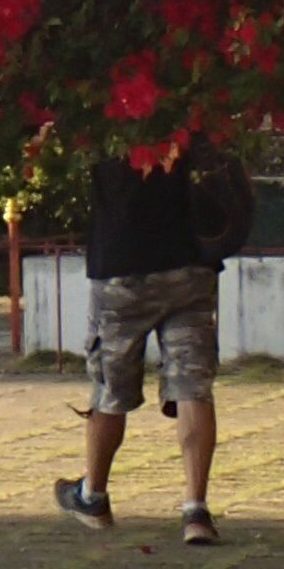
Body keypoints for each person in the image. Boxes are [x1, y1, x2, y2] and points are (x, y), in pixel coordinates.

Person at [55, 136, 238, 544]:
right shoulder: (187, 110)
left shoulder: (102, 117)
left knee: (110, 386)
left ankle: (93, 495)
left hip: (122, 263)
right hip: (190, 262)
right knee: (192, 384)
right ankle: (195, 510)